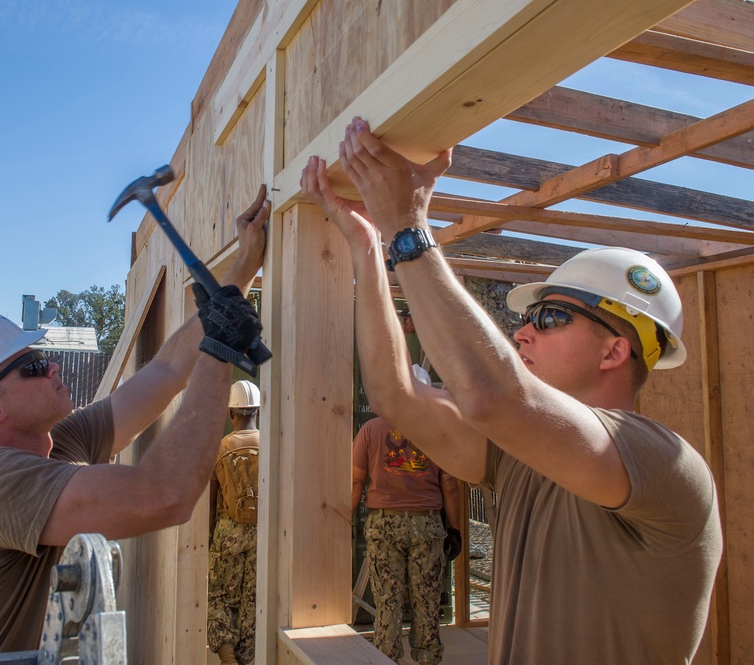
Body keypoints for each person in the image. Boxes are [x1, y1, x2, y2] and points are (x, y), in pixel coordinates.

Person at [300, 118, 722, 664]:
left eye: (549, 317)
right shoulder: (521, 456)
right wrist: (367, 246)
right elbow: (397, 395)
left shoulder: (663, 463)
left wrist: (408, 227)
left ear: (614, 351)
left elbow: (492, 395)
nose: (522, 330)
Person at [0, 187, 270, 657]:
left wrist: (239, 273)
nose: (52, 367)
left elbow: (167, 369)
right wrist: (221, 349)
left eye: (43, 357)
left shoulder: (56, 444)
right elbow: (164, 496)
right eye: (31, 366)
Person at [352, 364, 461, 664]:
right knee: (427, 603)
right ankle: (427, 658)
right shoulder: (438, 432)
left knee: (388, 603)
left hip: (383, 524)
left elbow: (355, 481)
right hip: (426, 525)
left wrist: (344, 520)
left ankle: (387, 657)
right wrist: (454, 529)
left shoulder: (371, 429)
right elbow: (450, 484)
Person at [207, 379, 261, 665]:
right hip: (260, 535)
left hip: (228, 533)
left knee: (219, 597)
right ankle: (247, 659)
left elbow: (211, 501)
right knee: (252, 602)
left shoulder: (220, 447)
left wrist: (208, 538)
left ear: (231, 414)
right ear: (258, 412)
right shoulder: (270, 445)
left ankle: (227, 656)